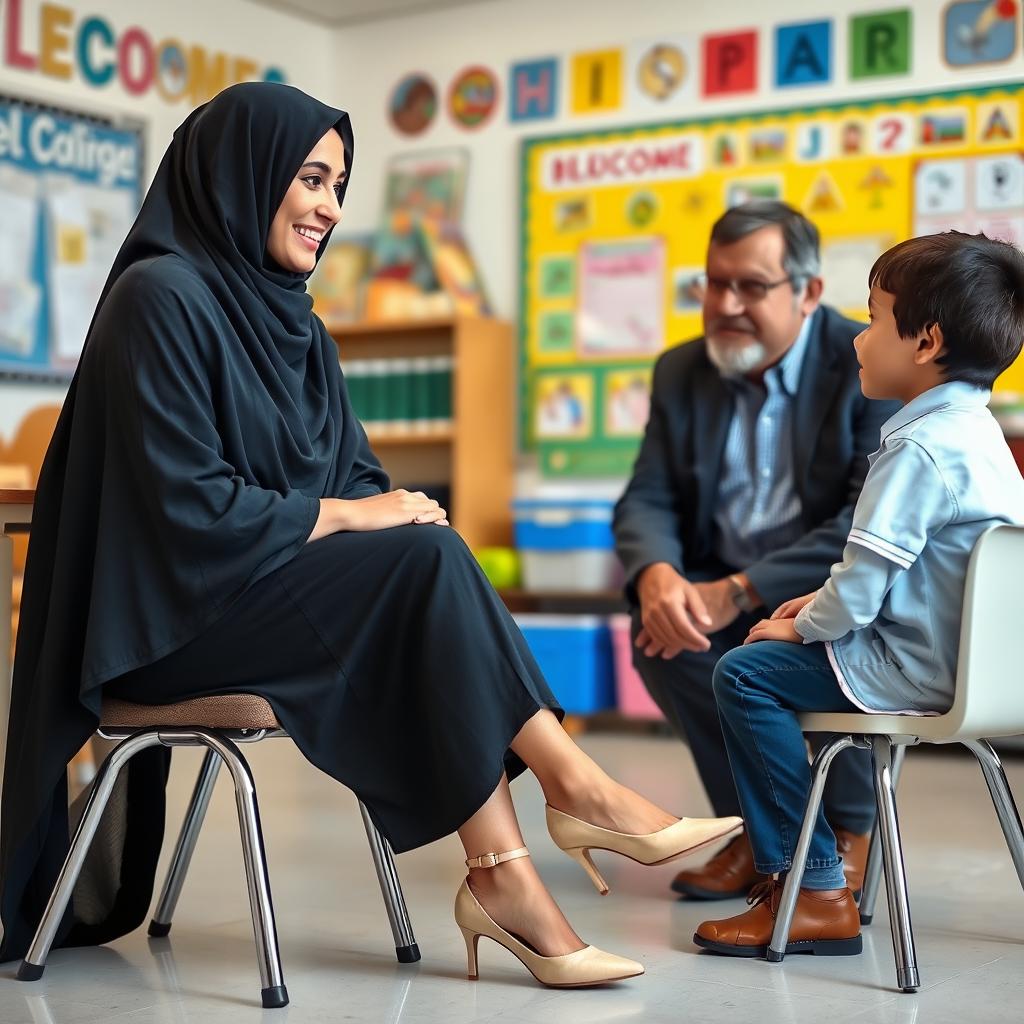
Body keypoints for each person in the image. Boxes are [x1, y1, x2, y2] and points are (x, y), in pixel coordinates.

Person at [0, 83, 741, 989]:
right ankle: (574, 794)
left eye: (339, 185)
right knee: (417, 570)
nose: (330, 208)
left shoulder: (300, 329)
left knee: (428, 554)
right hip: (167, 631)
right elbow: (181, 508)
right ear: (244, 173)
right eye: (310, 178)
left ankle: (508, 875)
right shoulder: (158, 300)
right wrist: (355, 519)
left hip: (258, 610)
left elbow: (350, 477)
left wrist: (389, 507)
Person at [695, 230, 1024, 958]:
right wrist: (816, 604)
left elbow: (860, 595)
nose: (857, 340)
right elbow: (893, 571)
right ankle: (814, 871)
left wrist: (805, 625)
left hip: (910, 670)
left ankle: (813, 889)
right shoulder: (980, 435)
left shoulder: (915, 450)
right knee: (780, 647)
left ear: (926, 341)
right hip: (982, 675)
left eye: (873, 319)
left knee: (745, 674)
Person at [613, 201, 899, 900]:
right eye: (714, 283)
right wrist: (656, 574)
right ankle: (757, 823)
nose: (726, 304)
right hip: (719, 580)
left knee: (840, 632)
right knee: (661, 637)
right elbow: (646, 495)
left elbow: (864, 520)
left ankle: (849, 831)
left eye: (750, 286)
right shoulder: (682, 371)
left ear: (807, 293)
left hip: (829, 585)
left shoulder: (868, 361)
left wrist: (741, 590)